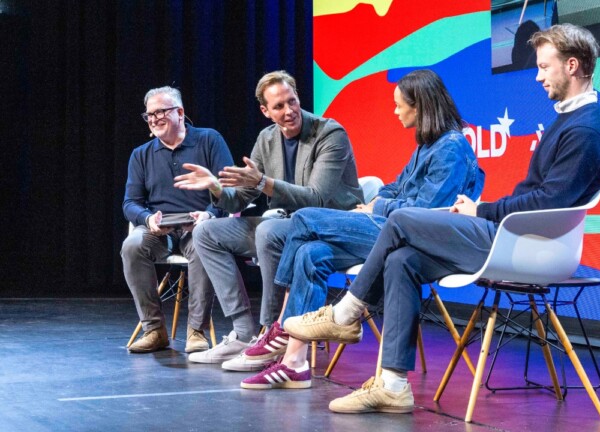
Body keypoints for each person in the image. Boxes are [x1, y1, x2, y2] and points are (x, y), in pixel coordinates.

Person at [284, 23, 600, 413]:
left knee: (403, 220)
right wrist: (481, 212)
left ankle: (346, 312)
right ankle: (392, 385)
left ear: (572, 66)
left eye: (545, 67)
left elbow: (547, 202)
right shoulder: (569, 122)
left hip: (530, 246)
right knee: (402, 259)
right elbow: (535, 196)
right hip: (514, 235)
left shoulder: (586, 130)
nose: (539, 76)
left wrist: (481, 210)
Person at [225, 70, 486, 387]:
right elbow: (393, 188)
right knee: (310, 252)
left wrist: (378, 206)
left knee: (306, 218)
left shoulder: (452, 147)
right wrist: (381, 201)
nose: (395, 111)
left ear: (420, 106)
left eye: (399, 104)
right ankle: (294, 364)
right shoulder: (427, 146)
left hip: (412, 238)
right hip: (392, 229)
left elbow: (427, 212)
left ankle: (281, 325)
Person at [172, 70, 363, 364]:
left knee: (269, 230)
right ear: (265, 111)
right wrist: (216, 187)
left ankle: (272, 331)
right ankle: (244, 332)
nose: (289, 111)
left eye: (292, 101)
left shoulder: (329, 133)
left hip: (330, 227)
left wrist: (263, 182)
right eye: (278, 106)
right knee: (206, 233)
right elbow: (242, 196)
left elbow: (318, 198)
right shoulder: (267, 138)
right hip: (288, 226)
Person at [122, 86, 235, 353]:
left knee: (203, 242)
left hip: (200, 224)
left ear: (180, 112)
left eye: (161, 111)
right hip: (159, 228)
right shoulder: (141, 154)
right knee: (132, 245)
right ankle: (154, 330)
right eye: (149, 114)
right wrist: (148, 219)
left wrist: (209, 214)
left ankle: (196, 330)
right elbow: (130, 203)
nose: (154, 119)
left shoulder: (209, 140)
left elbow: (230, 189)